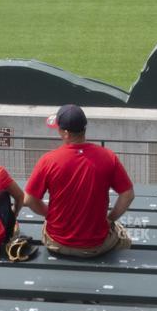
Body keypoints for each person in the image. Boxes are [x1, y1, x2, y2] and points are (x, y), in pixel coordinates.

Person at [24, 104, 134, 258]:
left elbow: (29, 200)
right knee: (123, 236)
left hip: (56, 243)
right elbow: (128, 195)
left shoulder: (48, 160)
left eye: (59, 129)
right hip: (96, 246)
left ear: (66, 133)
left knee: (47, 226)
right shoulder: (108, 156)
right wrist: (110, 219)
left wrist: (49, 215)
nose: (58, 131)